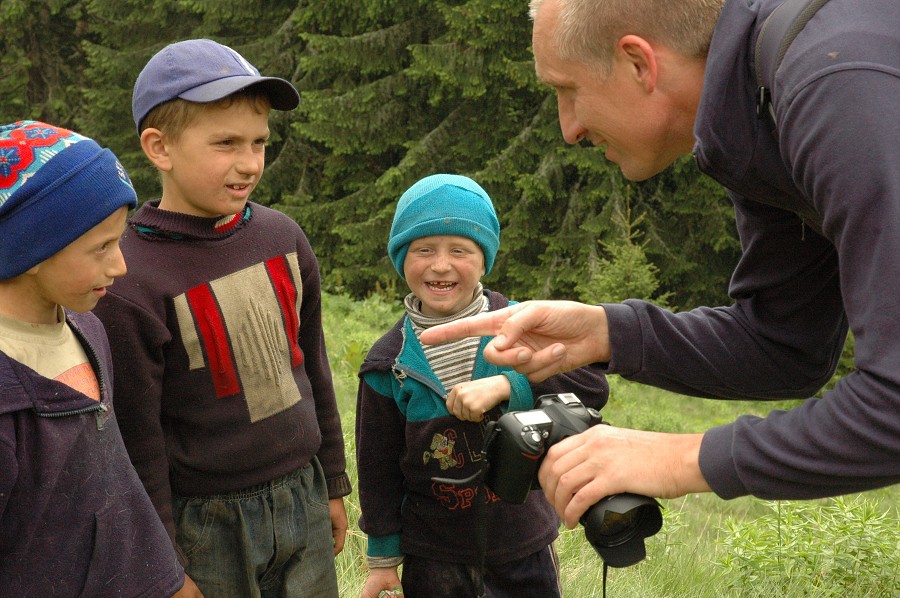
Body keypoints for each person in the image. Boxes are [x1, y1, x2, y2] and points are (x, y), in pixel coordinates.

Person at [419, 0, 900, 531]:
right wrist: (608, 333)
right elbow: (787, 347)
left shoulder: (837, 83)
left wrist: (676, 459)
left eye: (567, 90)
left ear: (638, 64)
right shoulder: (754, 106)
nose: (568, 129)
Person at [92, 39, 351, 598]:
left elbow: (315, 368)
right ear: (159, 148)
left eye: (259, 142)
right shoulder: (128, 279)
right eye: (226, 143)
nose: (250, 162)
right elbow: (138, 438)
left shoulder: (283, 239)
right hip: (204, 526)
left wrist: (331, 481)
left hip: (301, 495)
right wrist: (164, 560)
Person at [356, 174, 609, 598]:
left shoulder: (522, 323)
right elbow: (378, 470)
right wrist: (383, 560)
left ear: (484, 258)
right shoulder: (388, 364)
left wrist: (510, 386)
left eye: (459, 250)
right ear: (401, 258)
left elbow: (591, 387)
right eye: (423, 250)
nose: (440, 265)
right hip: (434, 556)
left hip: (522, 545)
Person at [0, 120, 185, 596]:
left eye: (119, 240)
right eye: (100, 247)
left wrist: (167, 573)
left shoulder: (89, 329)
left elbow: (118, 477)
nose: (120, 265)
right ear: (30, 250)